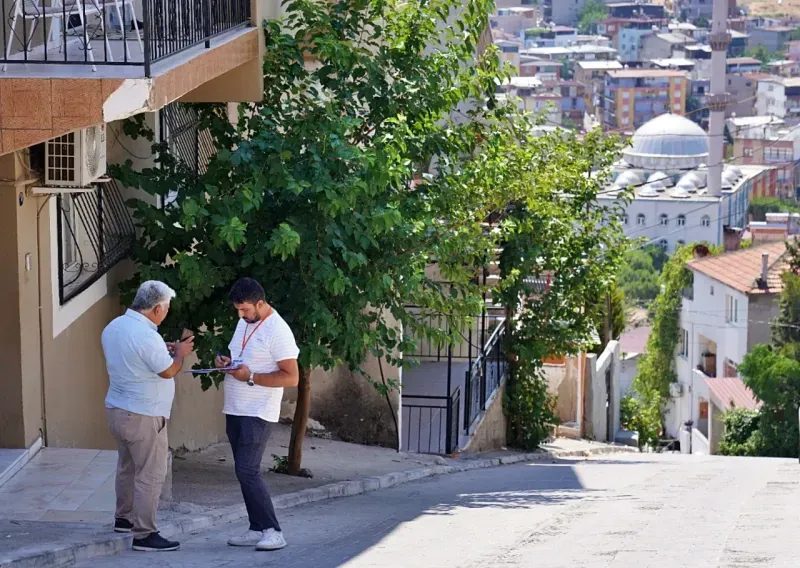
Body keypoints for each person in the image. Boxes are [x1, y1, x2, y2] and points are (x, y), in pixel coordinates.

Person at [102, 280, 194, 552]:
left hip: (117, 409)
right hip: (144, 414)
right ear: (156, 308)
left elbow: (135, 358)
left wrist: (163, 350)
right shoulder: (146, 336)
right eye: (165, 308)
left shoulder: (114, 327)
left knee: (127, 467)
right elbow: (168, 371)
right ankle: (144, 534)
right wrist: (179, 352)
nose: (166, 313)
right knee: (150, 475)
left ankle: (123, 519)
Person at [215, 277, 300, 551]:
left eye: (245, 309)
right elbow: (243, 358)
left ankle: (273, 531)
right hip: (236, 408)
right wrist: (228, 363)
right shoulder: (244, 323)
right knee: (243, 472)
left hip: (258, 411)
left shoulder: (279, 331)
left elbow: (292, 377)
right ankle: (256, 528)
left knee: (248, 470)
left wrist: (250, 376)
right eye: (238, 310)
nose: (241, 315)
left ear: (260, 303)